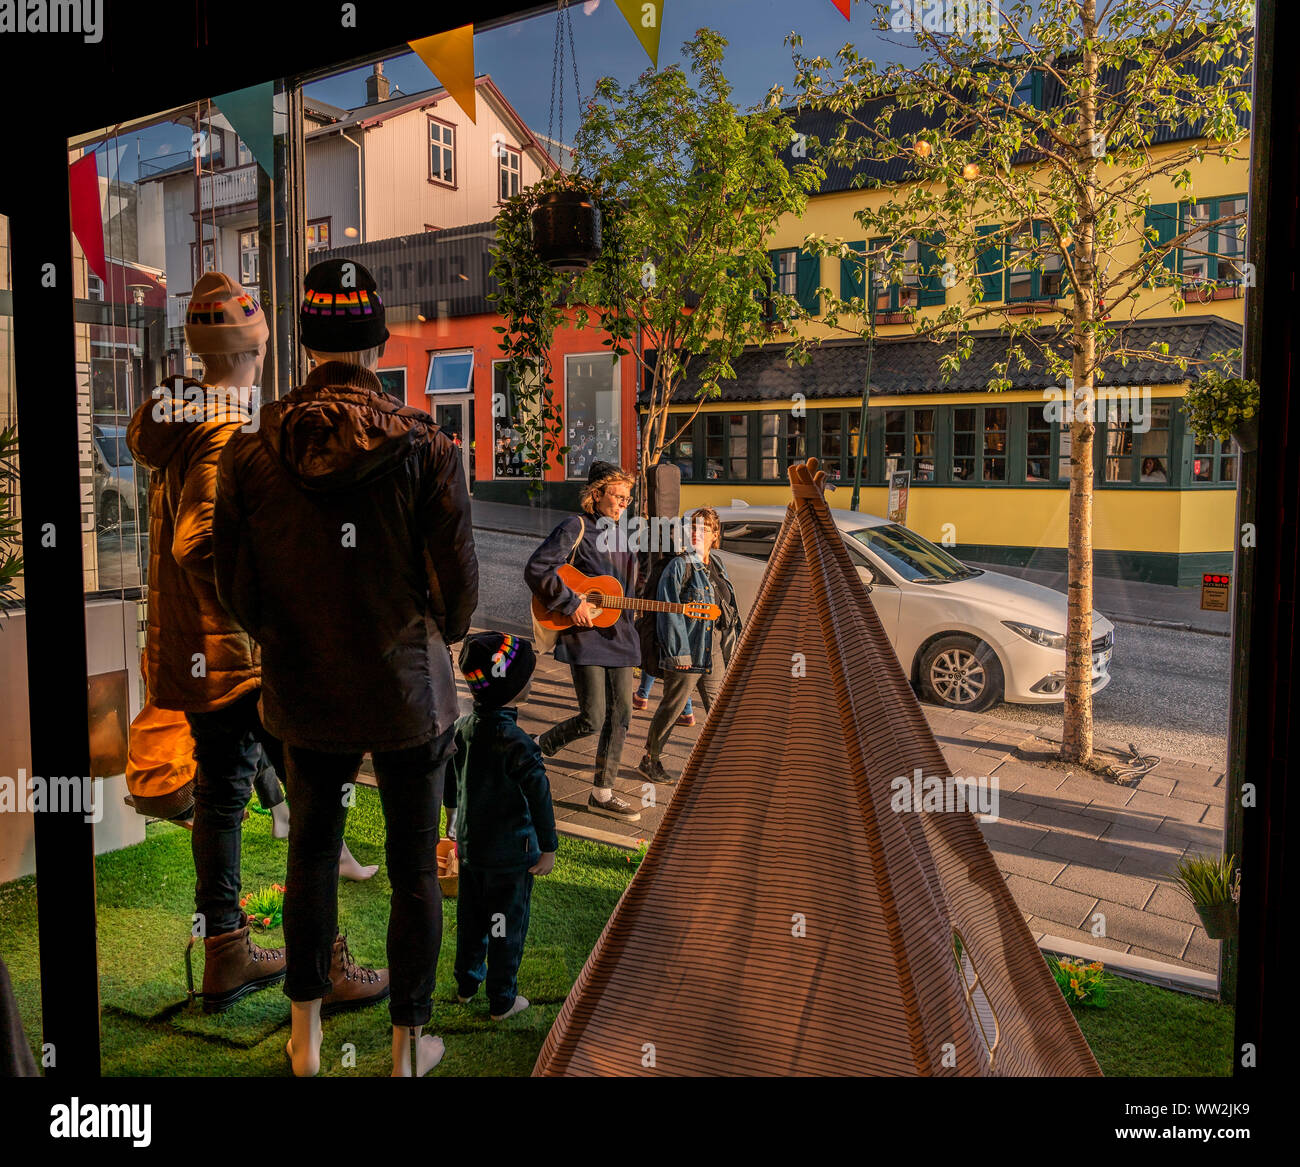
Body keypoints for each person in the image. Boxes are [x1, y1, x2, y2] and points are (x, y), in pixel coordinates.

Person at [214, 258, 478, 1078]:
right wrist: (426, 634)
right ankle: (406, 1050)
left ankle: (306, 1041)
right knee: (412, 869)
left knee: (312, 853)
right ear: (376, 337)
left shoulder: (253, 452)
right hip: (406, 689)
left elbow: (236, 589)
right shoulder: (427, 448)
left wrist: (293, 637)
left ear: (304, 338)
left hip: (306, 688)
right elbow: (459, 592)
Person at [127, 272, 288, 1012]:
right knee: (292, 793)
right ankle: (311, 956)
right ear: (251, 350)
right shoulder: (223, 425)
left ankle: (226, 946)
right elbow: (199, 541)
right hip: (233, 651)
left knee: (226, 798)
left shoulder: (184, 417)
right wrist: (266, 604)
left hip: (198, 649)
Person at [445, 632, 557, 1021]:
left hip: (473, 851)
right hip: (512, 857)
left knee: (472, 920)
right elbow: (540, 798)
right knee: (503, 926)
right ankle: (502, 999)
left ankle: (466, 984)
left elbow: (450, 778)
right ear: (514, 688)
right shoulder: (520, 744)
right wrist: (549, 847)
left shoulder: (462, 728)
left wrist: (452, 817)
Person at [525, 461, 641, 822]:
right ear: (597, 494)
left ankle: (602, 793)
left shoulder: (626, 534)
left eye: (628, 497)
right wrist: (571, 602)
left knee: (621, 715)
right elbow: (537, 568)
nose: (624, 503)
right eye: (618, 496)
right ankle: (533, 751)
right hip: (585, 634)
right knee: (592, 718)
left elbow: (630, 587)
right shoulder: (575, 526)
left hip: (619, 634)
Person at [639, 507, 741, 785]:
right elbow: (668, 612)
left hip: (715, 649)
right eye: (693, 529)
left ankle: (726, 764)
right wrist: (678, 652)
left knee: (720, 709)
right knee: (672, 709)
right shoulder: (679, 566)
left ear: (715, 535)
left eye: (704, 529)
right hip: (689, 649)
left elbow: (727, 609)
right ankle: (650, 759)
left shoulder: (716, 564)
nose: (697, 534)